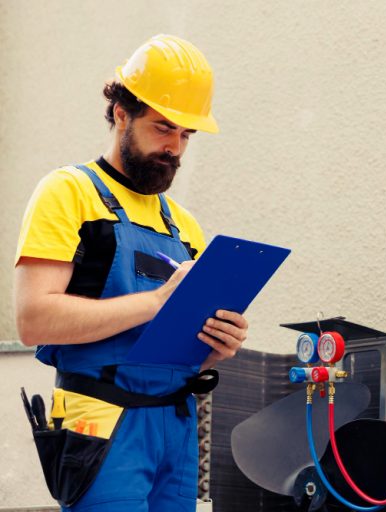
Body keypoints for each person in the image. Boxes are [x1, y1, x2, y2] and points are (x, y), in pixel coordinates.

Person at [13, 34, 247, 511]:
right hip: (100, 424)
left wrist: (217, 345)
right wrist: (157, 302)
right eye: (163, 128)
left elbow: (180, 349)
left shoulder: (184, 227)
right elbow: (33, 319)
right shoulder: (68, 193)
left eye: (186, 135)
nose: (174, 147)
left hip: (176, 427)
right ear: (122, 113)